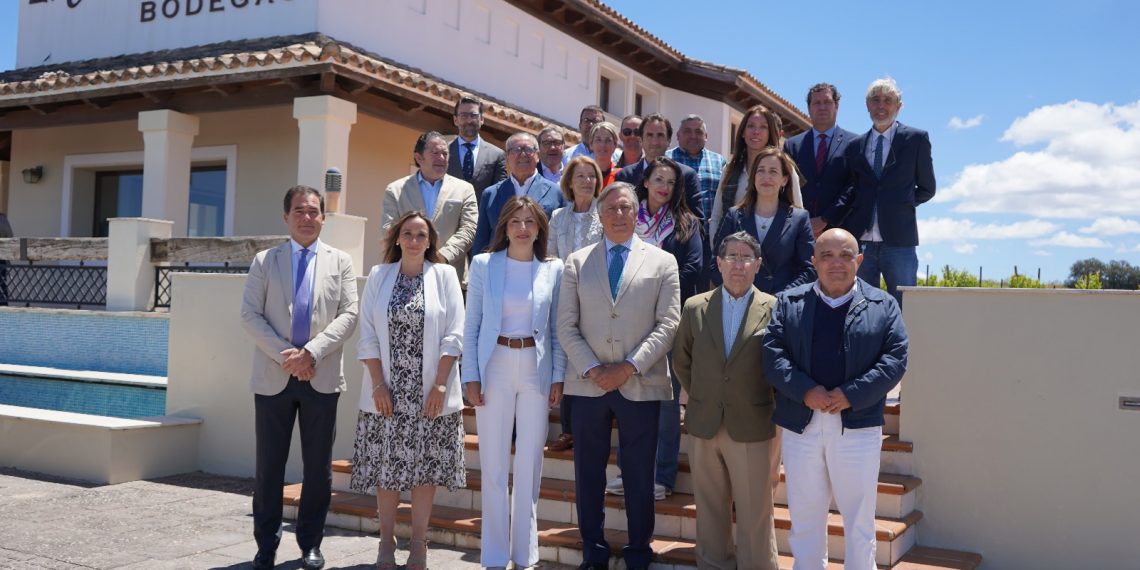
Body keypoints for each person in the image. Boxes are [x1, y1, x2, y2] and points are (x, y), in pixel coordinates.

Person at [763, 228, 908, 570]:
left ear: (859, 260)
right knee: (805, 516)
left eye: (845, 255)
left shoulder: (883, 304)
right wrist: (805, 391)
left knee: (859, 519)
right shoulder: (789, 302)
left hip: (857, 428)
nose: (836, 263)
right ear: (813, 261)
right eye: (827, 255)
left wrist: (850, 395)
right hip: (803, 425)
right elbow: (773, 355)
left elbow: (895, 359)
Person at [557, 182, 680, 570]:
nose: (619, 214)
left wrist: (627, 366)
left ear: (636, 212)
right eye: (611, 208)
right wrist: (594, 369)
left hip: (640, 383)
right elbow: (565, 324)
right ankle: (593, 549)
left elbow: (668, 324)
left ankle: (639, 552)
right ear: (599, 214)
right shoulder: (576, 262)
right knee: (588, 473)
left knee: (640, 475)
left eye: (626, 207)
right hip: (588, 385)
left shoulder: (662, 262)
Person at [240, 186, 359, 570]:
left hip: (321, 378)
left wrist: (312, 353)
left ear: (323, 217)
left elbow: (349, 315)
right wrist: (288, 357)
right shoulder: (265, 261)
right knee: (269, 467)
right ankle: (266, 547)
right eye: (299, 211)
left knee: (318, 469)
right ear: (286, 217)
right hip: (273, 377)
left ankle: (310, 544)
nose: (307, 217)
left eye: (313, 211)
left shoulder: (340, 261)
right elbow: (250, 316)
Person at [351, 211, 466, 570]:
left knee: (424, 472)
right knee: (387, 472)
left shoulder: (445, 275)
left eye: (421, 234)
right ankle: (386, 545)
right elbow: (366, 332)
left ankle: (419, 545)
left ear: (430, 241)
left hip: (431, 391)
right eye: (407, 234)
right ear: (397, 239)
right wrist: (378, 384)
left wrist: (441, 384)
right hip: (387, 393)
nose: (414, 240)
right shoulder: (379, 276)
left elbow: (454, 334)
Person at [462, 197, 566, 569]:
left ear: (540, 229)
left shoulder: (554, 270)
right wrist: (470, 377)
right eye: (515, 221)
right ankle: (493, 556)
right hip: (495, 365)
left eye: (530, 222)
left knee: (529, 463)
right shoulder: (484, 265)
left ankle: (525, 555)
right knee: (492, 463)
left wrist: (558, 377)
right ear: (504, 227)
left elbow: (556, 329)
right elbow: (471, 325)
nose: (523, 228)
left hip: (536, 368)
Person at [673, 231, 780, 570]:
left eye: (746, 256)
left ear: (758, 264)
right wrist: (706, 395)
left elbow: (780, 367)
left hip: (753, 425)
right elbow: (682, 361)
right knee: (710, 510)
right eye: (731, 256)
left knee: (755, 513)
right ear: (718, 263)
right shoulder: (694, 308)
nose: (738, 263)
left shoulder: (776, 308)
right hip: (705, 423)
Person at [836, 78, 936, 306]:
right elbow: (852, 189)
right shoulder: (854, 146)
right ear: (867, 105)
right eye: (876, 100)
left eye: (888, 100)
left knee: (903, 307)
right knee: (860, 307)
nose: (881, 105)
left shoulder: (916, 140)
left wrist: (900, 204)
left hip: (900, 242)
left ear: (899, 106)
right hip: (861, 243)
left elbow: (928, 188)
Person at [545, 156, 605, 452]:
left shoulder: (605, 215)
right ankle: (568, 430)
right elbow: (551, 255)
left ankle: (592, 428)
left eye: (591, 176)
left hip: (596, 297)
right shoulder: (558, 217)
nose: (586, 181)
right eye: (580, 176)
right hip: (564, 295)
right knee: (568, 360)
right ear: (569, 181)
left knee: (591, 358)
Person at [712, 147, 816, 295]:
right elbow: (716, 263)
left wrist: (781, 298)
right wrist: (737, 293)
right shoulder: (734, 216)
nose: (766, 177)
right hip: (739, 302)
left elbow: (809, 269)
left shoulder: (799, 219)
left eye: (773, 171)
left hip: (781, 306)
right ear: (753, 177)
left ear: (784, 180)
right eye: (761, 170)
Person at [383, 131, 478, 284]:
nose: (441, 158)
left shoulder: (465, 189)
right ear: (419, 158)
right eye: (435, 153)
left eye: (445, 153)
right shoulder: (395, 190)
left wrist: (442, 257)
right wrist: (415, 257)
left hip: (450, 273)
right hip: (406, 274)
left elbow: (469, 229)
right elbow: (389, 229)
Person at [710, 104, 804, 240]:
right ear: (742, 132)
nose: (756, 132)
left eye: (763, 127)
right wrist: (718, 253)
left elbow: (798, 213)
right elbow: (717, 217)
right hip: (735, 254)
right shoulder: (730, 169)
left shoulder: (786, 167)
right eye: (751, 126)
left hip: (774, 253)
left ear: (770, 132)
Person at [783, 83, 860, 238]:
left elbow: (854, 186)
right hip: (800, 231)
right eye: (817, 103)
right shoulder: (792, 145)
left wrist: (826, 218)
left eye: (827, 102)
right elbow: (786, 187)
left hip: (841, 231)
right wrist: (802, 220)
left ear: (836, 106)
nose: (822, 107)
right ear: (809, 108)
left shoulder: (855, 143)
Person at [471, 132, 565, 257]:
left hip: (540, 265)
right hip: (499, 266)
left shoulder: (556, 192)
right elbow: (481, 240)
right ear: (507, 157)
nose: (523, 154)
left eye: (528, 149)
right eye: (517, 149)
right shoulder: (490, 194)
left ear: (537, 156)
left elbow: (562, 238)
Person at [615, 113, 704, 221]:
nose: (654, 141)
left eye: (660, 135)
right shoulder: (625, 176)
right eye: (649, 135)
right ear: (641, 139)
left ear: (669, 140)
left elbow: (697, 222)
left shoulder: (686, 176)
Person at [668, 114, 727, 223]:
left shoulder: (719, 161)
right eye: (687, 131)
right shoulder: (666, 160)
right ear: (678, 135)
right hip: (675, 231)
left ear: (706, 136)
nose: (693, 136)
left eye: (698, 132)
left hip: (711, 232)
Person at [447, 95, 507, 196]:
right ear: (455, 120)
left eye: (473, 115)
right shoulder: (443, 152)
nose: (469, 120)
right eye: (464, 116)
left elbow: (500, 193)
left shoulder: (497, 155)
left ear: (482, 119)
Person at [588, 121, 621, 187]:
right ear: (591, 144)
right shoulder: (584, 175)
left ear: (615, 145)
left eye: (608, 140)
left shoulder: (621, 175)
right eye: (598, 140)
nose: (603, 145)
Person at [0, 212, 12, 306]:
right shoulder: (3, 219)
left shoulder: (2, 219)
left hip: (2, 258)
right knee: (2, 284)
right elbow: (10, 237)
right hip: (2, 258)